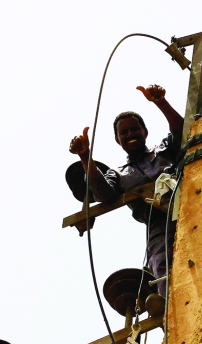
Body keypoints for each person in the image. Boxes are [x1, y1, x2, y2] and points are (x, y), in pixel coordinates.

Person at [69, 85, 183, 297]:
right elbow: (103, 192)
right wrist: (85, 157)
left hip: (187, 208)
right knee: (161, 264)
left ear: (144, 132)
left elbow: (181, 130)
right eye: (124, 132)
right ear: (117, 140)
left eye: (134, 129)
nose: (130, 134)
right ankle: (172, 312)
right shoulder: (119, 174)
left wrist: (160, 102)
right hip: (157, 225)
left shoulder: (165, 150)